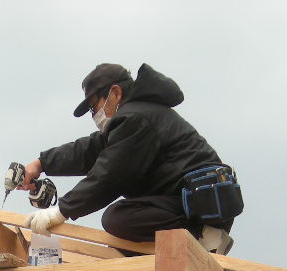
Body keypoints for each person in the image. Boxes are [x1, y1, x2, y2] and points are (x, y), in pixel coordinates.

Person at [20, 63, 242, 254]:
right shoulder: (135, 118)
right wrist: (43, 163)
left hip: (198, 207)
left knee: (118, 218)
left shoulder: (136, 118)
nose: (93, 115)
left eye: (93, 106)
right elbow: (92, 149)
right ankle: (190, 240)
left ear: (115, 93)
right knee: (124, 245)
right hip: (182, 202)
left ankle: (205, 236)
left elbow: (110, 175)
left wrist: (61, 211)